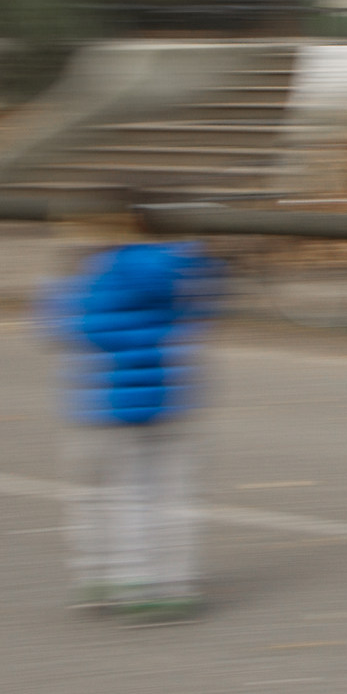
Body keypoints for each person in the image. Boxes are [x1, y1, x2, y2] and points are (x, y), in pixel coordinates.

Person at [43, 193, 223, 622]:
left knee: (107, 494)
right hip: (168, 393)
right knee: (167, 493)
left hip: (103, 400)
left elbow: (67, 327)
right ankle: (172, 582)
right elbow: (203, 308)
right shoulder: (180, 266)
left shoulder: (95, 274)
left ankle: (118, 578)